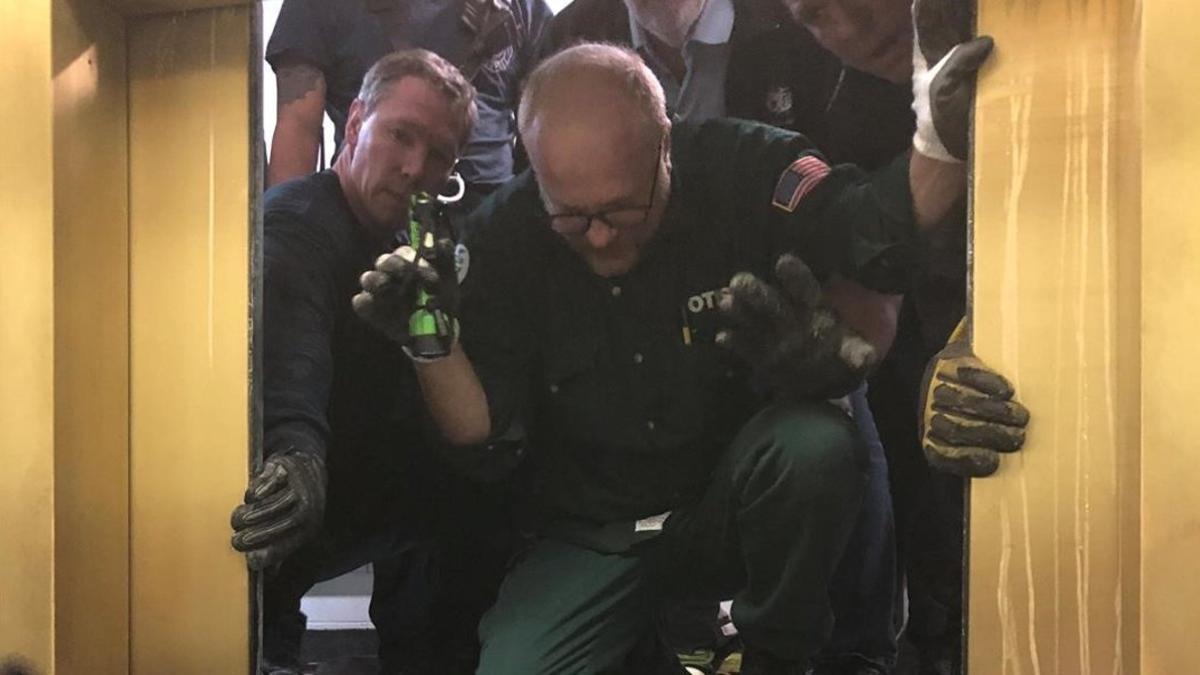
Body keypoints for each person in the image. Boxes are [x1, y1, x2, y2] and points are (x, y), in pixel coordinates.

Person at [352, 39, 990, 674]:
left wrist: (940, 142)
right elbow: (481, 432)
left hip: (732, 504)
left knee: (817, 443)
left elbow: (867, 231)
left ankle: (775, 657)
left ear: (665, 144)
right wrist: (428, 342)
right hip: (594, 530)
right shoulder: (503, 238)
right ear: (535, 169)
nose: (600, 236)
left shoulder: (751, 168)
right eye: (572, 219)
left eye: (623, 211)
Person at [533, 2, 905, 672]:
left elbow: (845, 181)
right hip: (638, 278)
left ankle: (855, 645)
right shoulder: (573, 32)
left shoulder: (786, 25)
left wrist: (845, 313)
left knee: (838, 411)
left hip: (790, 276)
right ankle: (675, 635)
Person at [230, 50, 516, 675]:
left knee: (482, 492)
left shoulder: (417, 246)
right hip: (272, 493)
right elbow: (290, 342)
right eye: (400, 135)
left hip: (365, 484)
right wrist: (295, 452)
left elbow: (471, 429)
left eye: (437, 155)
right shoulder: (297, 223)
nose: (414, 167)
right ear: (355, 123)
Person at [775, 1, 1032, 672]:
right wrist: (838, 358)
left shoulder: (1032, 28)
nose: (850, 25)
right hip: (980, 390)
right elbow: (881, 298)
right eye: (813, 16)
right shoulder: (855, 112)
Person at [265, 0, 552, 218]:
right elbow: (298, 128)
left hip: (491, 214)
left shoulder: (521, 6)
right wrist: (286, 231)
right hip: (372, 211)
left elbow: (546, 129)